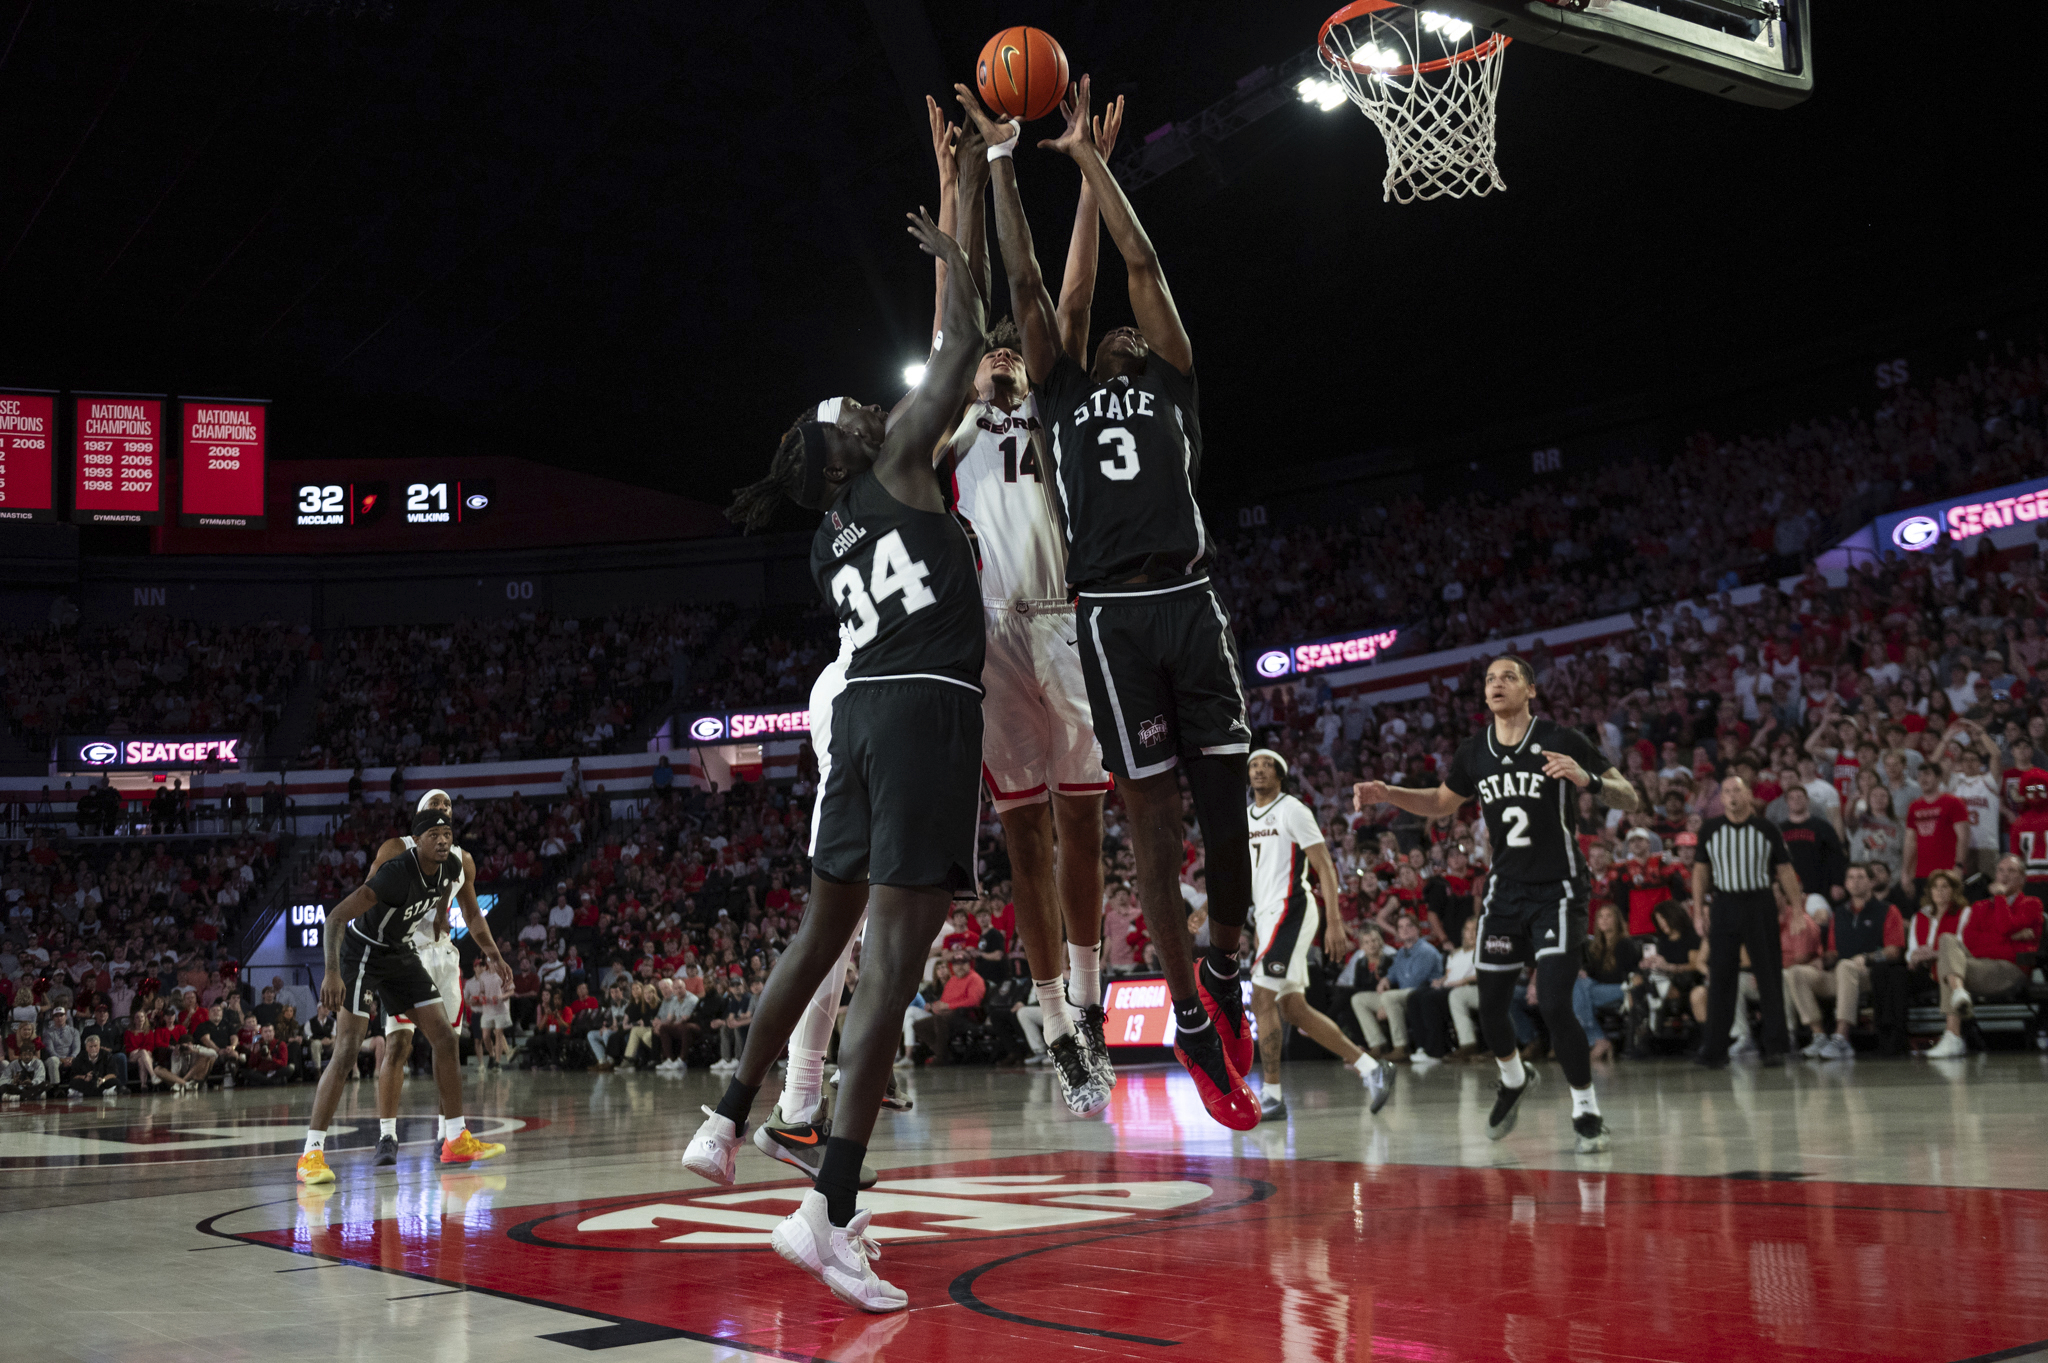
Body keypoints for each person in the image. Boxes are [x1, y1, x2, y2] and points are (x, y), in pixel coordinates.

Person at [684, 143, 992, 1312]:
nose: (871, 403)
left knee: (825, 936)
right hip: (918, 712)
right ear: (849, 449)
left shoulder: (827, 538)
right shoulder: (897, 465)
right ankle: (829, 1207)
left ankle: (723, 1120)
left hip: (855, 714)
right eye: (854, 411)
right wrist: (954, 252)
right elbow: (959, 352)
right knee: (891, 968)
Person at [964, 76, 1258, 1131]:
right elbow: (1035, 291)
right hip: (1059, 620)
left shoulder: (1136, 378)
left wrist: (1086, 164)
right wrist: (994, 167)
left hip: (1139, 603)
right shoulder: (1020, 398)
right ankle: (1118, 1016)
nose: (1123, 336)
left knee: (1170, 824)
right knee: (1085, 829)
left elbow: (1114, 278)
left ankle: (1167, 991)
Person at [922, 93, 1124, 1117]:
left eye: (1009, 352)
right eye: (988, 354)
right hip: (995, 633)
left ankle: (1086, 1006)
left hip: (1063, 617)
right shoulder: (955, 423)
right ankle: (1051, 1019)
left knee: (1085, 830)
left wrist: (1089, 176)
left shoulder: (1051, 393)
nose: (999, 356)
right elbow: (950, 316)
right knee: (1024, 840)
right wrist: (955, 183)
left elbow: (1071, 295)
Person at [1355, 655, 1641, 1153]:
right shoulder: (1474, 752)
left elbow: (1630, 797)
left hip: (1561, 887)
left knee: (1553, 1001)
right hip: (1506, 891)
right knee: (1489, 1005)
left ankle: (1587, 1108)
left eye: (1508, 676)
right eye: (1489, 679)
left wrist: (1588, 780)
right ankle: (1512, 1077)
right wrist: (1390, 794)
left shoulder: (1561, 738)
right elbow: (1442, 803)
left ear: (1531, 689)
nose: (1497, 684)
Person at [296, 808, 505, 1185]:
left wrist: (445, 917)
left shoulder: (452, 868)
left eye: (448, 833)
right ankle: (311, 1153)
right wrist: (331, 971)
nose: (443, 840)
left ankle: (455, 1138)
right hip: (362, 952)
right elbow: (336, 918)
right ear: (418, 840)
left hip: (399, 953)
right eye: (435, 835)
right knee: (347, 1050)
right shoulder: (395, 873)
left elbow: (449, 903)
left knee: (444, 1036)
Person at [365, 790, 512, 1167]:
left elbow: (473, 914)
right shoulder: (396, 849)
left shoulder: (462, 859)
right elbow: (369, 900)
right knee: (398, 1045)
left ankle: (448, 1137)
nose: (442, 810)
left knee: (447, 1045)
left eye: (447, 806)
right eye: (435, 805)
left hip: (443, 955)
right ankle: (386, 1135)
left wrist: (494, 954)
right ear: (419, 817)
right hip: (405, 953)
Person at [1243, 749, 1390, 1121]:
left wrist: (1335, 922)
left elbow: (1324, 864)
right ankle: (1372, 1067)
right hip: (1268, 918)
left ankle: (1273, 1094)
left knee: (1262, 999)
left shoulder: (1293, 809)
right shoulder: (1247, 817)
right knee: (1293, 1008)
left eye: (1266, 765)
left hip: (1292, 910)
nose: (1259, 769)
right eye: (1253, 765)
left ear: (1281, 774)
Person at [1691, 776, 1806, 1069]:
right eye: (1726, 791)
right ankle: (1715, 1049)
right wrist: (1698, 910)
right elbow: (1701, 872)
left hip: (1759, 902)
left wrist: (1796, 909)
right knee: (1721, 977)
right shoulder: (1710, 829)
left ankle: (1776, 1046)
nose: (1731, 796)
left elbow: (1785, 870)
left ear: (1748, 795)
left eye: (1737, 790)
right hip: (1724, 903)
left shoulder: (1767, 828)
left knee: (1768, 974)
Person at [1792, 863, 1905, 1060]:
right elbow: (1834, 952)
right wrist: (1821, 960)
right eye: (1851, 877)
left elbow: (1894, 951)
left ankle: (1842, 1038)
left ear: (1871, 882)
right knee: (1797, 973)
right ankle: (1818, 1035)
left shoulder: (1887, 910)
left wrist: (1868, 957)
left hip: (1869, 974)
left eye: (1861, 877)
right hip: (1840, 974)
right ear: (1845, 883)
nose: (1855, 882)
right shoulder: (1839, 913)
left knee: (1846, 966)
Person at [1351, 911, 1440, 1061]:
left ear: (1417, 929)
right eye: (1400, 927)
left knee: (1389, 997)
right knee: (1359, 999)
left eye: (1409, 926)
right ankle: (1378, 1044)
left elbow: (1415, 981)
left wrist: (1386, 1001)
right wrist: (1385, 980)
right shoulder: (1401, 953)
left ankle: (1401, 1046)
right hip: (1400, 995)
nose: (1404, 930)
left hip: (1420, 994)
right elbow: (1392, 974)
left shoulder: (1426, 951)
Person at [1574, 903, 1640, 1063]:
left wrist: (1589, 980)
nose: (1603, 920)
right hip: (1597, 989)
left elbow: (1628, 975)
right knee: (1578, 984)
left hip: (1621, 989)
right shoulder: (1594, 946)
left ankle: (1597, 1039)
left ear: (1617, 920)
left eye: (1608, 916)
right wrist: (1584, 973)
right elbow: (1591, 972)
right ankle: (1599, 1040)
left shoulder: (1625, 944)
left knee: (1581, 993)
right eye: (1601, 917)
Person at [1903, 761, 1970, 900]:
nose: (1923, 779)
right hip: (1921, 873)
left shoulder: (1953, 802)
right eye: (1920, 775)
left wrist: (1958, 866)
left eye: (1927, 774)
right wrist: (1905, 871)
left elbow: (1963, 837)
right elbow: (1910, 841)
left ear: (1939, 777)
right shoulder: (1914, 807)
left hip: (1948, 872)